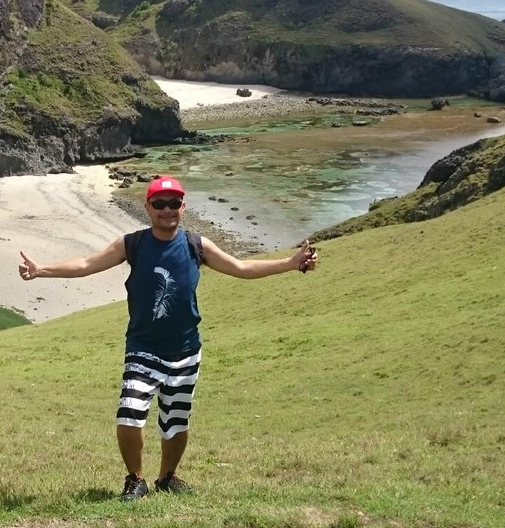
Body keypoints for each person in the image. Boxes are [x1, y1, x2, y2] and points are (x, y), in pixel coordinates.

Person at [17, 175, 318, 502]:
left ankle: (167, 477)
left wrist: (290, 263)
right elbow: (88, 263)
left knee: (176, 422)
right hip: (143, 348)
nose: (167, 210)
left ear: (183, 207)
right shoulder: (132, 244)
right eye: (159, 204)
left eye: (173, 203)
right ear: (147, 207)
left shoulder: (196, 245)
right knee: (129, 413)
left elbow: (241, 268)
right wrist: (41, 270)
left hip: (186, 350)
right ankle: (135, 479)